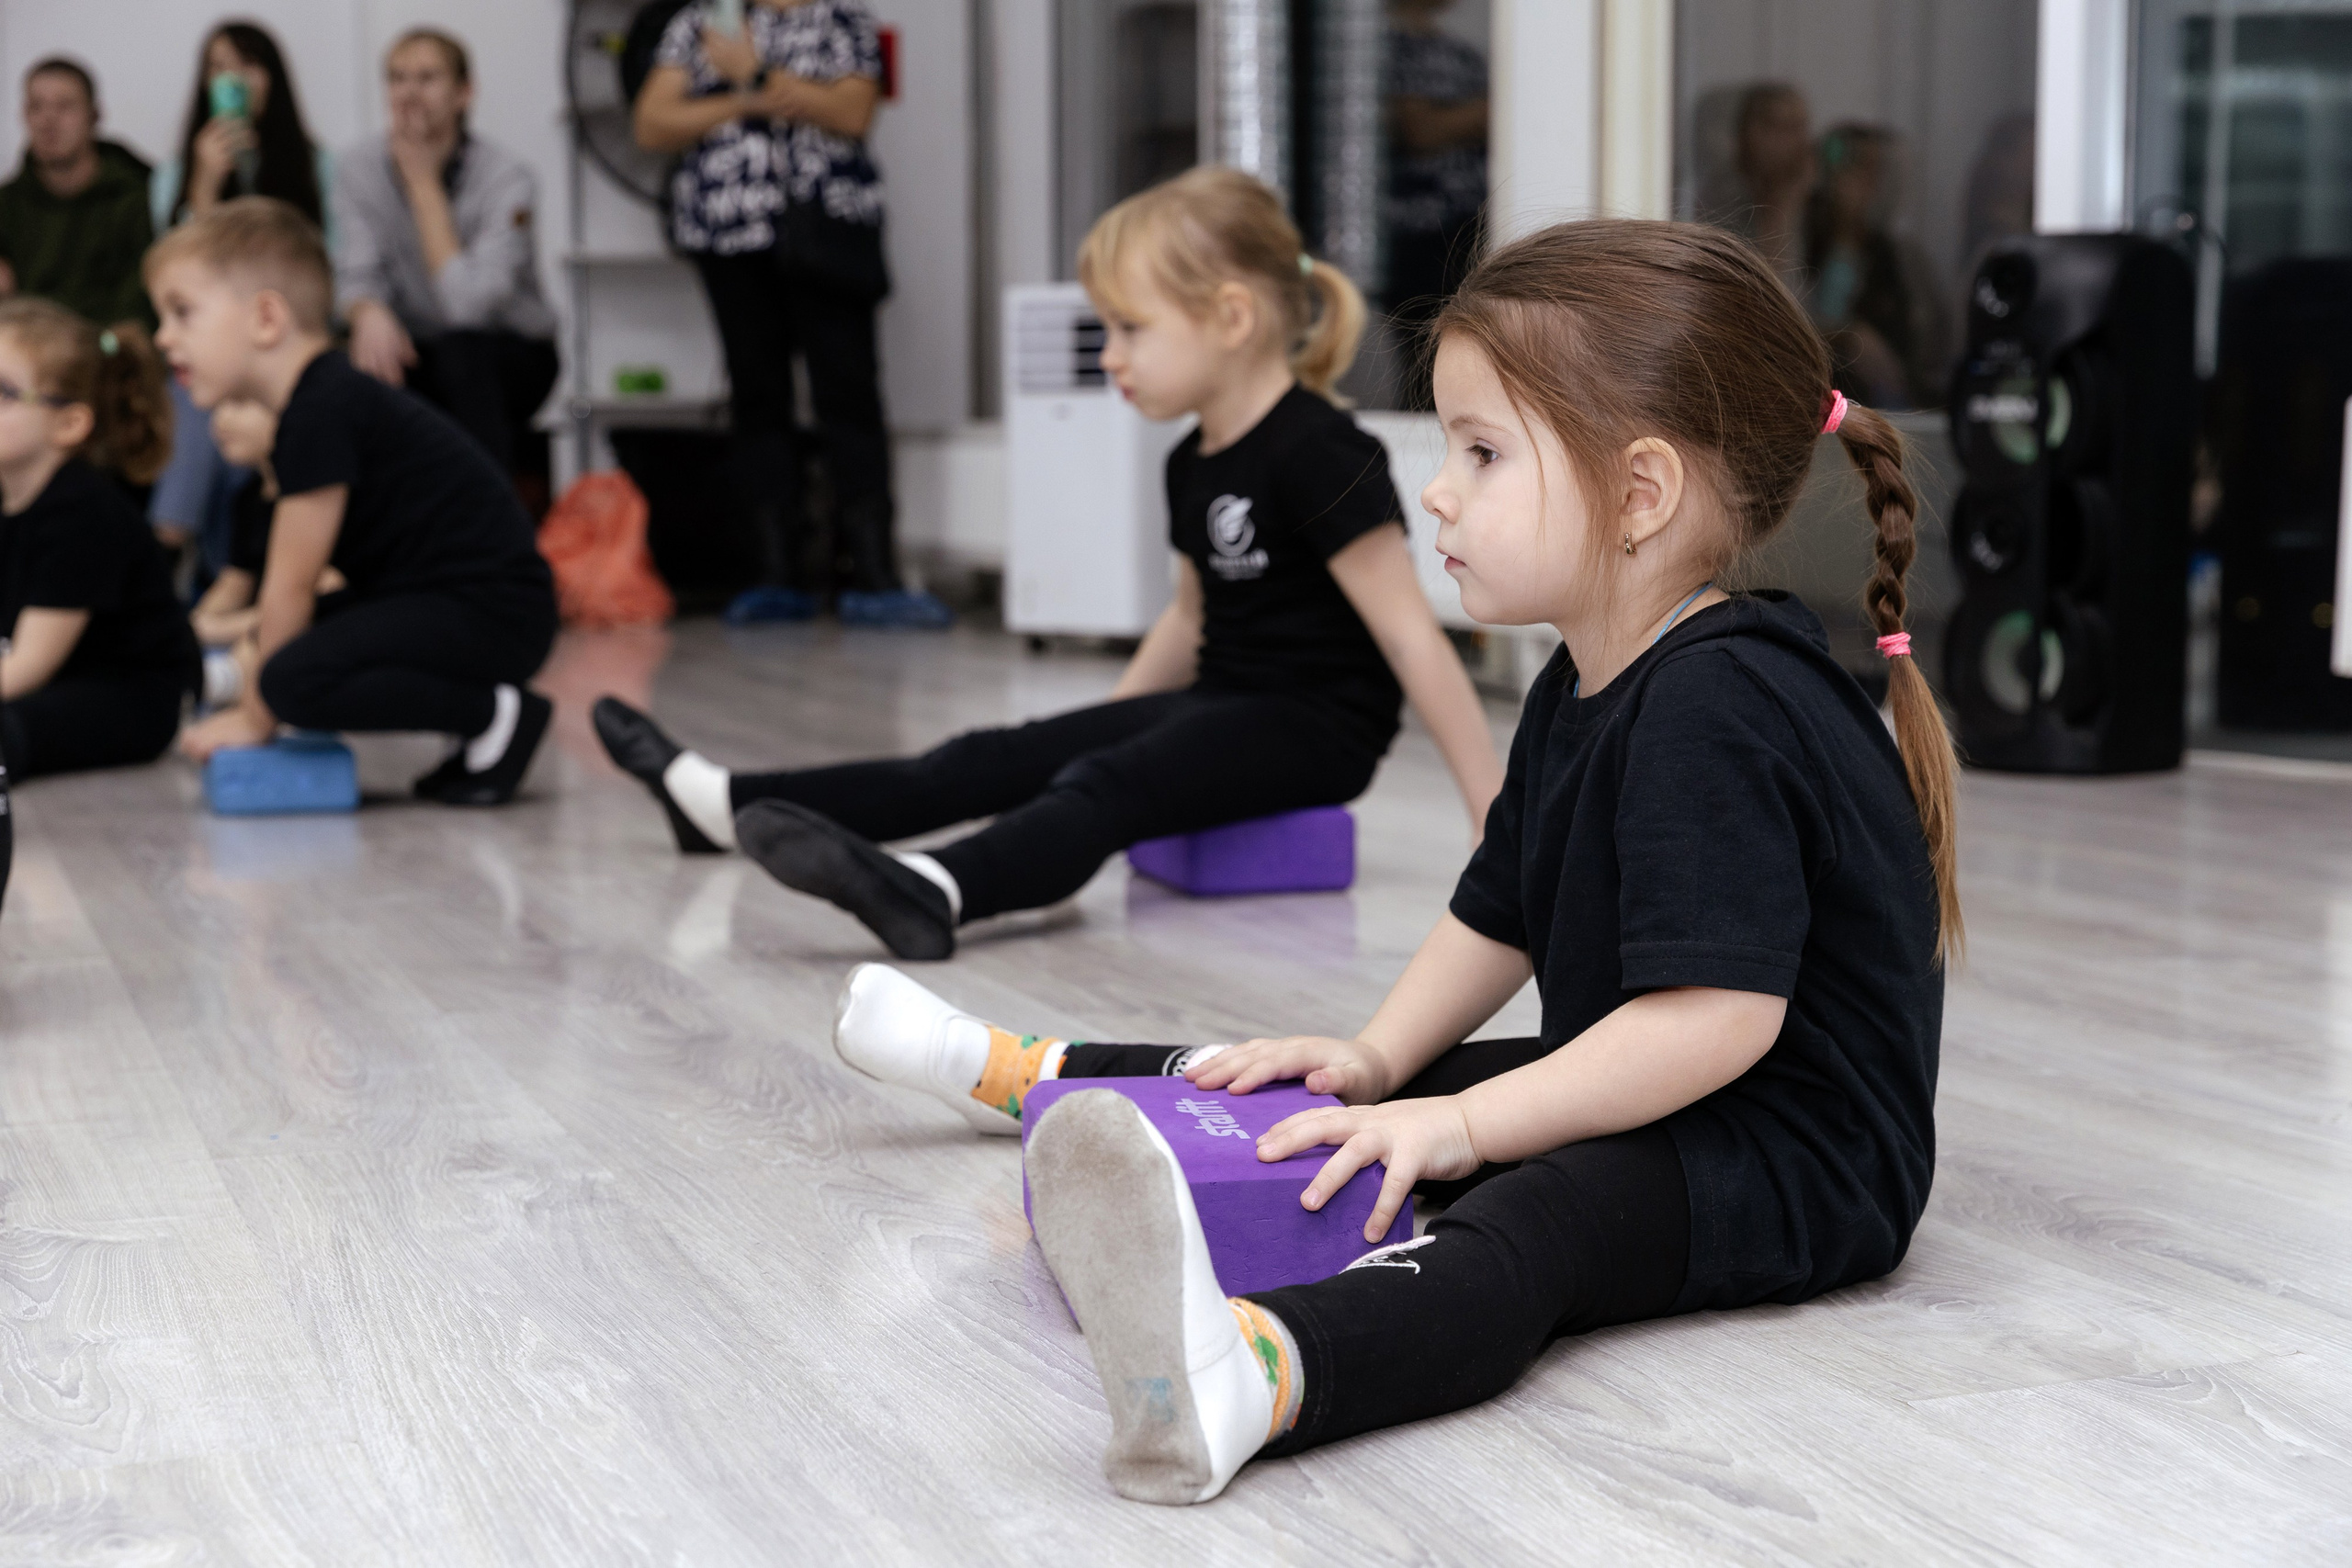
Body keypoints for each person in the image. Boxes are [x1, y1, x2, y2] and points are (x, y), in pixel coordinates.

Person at [835, 219, 1960, 1504]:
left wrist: (1466, 1120)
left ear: (1641, 494)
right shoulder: (1582, 681)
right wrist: (1378, 1056)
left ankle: (1262, 1370)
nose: (1437, 488)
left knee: (1545, 1218)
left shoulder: (1722, 701)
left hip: (1797, 1150)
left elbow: (1715, 1019)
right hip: (1667, 1083)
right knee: (1333, 1092)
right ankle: (1032, 1075)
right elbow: (1502, 914)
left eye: (1481, 452)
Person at [593, 167, 1504, 960]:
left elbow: (1408, 634)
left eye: (1129, 329)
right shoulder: (1193, 458)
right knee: (996, 756)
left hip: (1313, 731)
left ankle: (935, 892)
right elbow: (1191, 621)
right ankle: (718, 802)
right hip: (1218, 703)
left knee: (1104, 785)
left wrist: (1492, 817)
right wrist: (1098, 732)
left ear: (1230, 317)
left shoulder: (1319, 448)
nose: (1110, 357)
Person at [154, 198, 558, 806]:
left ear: (266, 318)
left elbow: (291, 586)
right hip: (452, 601)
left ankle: (492, 713)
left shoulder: (321, 410)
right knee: (288, 649)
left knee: (290, 680)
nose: (164, 337)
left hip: (494, 611)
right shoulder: (316, 402)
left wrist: (257, 718)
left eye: (182, 313)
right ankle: (480, 718)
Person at [632, 0, 948, 627]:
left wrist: (752, 74)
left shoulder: (843, 22)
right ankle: (776, 574)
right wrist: (755, 100)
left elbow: (853, 112)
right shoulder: (704, 21)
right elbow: (653, 121)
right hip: (730, 240)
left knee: (849, 397)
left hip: (829, 233)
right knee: (758, 399)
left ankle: (875, 572)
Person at [337, 28, 559, 484]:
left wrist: (423, 188)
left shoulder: (507, 178)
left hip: (511, 351)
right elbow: (356, 275)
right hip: (417, 346)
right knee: (342, 366)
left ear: (464, 92)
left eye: (427, 78)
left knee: (463, 356)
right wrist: (367, 311)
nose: (409, 93)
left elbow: (469, 306)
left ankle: (489, 532)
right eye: (397, 79)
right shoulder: (358, 168)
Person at [150, 21, 331, 578]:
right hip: (214, 352)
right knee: (201, 397)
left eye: (247, 65)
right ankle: (181, 550)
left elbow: (327, 276)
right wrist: (203, 188)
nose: (232, 79)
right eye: (217, 67)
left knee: (235, 409)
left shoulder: (317, 166)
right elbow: (177, 284)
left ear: (272, 78)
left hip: (288, 343)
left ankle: (187, 561)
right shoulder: (174, 176)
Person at [0, 300, 196, 779]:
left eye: (3, 392)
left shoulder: (81, 513)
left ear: (70, 424)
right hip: (58, 680)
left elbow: (31, 664)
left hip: (127, 697)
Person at [1382, 0, 1488, 408]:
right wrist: (1485, 112)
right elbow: (1420, 131)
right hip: (1417, 232)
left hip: (1469, 226)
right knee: (1424, 352)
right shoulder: (1390, 48)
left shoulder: (1461, 52)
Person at [0, 59, 156, 329]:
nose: (48, 120)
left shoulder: (141, 196)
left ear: (94, 115)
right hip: (27, 354)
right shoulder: (7, 205)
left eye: (64, 106)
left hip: (115, 356)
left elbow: (142, 304)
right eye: (36, 107)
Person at [1804, 124, 1947, 410]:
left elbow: (1934, 345)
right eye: (1856, 168)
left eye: (1878, 170)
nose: (1868, 182)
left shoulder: (1905, 258)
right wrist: (1849, 336)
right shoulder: (1802, 239)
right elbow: (1804, 320)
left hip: (1899, 409)